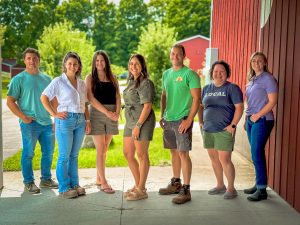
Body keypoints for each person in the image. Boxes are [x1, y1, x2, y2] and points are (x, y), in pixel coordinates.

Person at [7, 48, 58, 194]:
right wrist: (23, 117)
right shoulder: (18, 79)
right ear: (24, 60)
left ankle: (46, 179)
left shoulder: (47, 79)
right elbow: (10, 101)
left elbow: (53, 101)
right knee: (28, 153)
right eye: (29, 58)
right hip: (29, 123)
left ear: (39, 60)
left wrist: (55, 118)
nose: (32, 61)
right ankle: (29, 182)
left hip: (47, 123)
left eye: (35, 58)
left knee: (48, 153)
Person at [41, 52, 91, 199]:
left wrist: (87, 121)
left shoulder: (82, 84)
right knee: (64, 156)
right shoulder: (58, 81)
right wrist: (54, 114)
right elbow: (44, 97)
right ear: (65, 65)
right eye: (69, 63)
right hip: (65, 120)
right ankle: (64, 188)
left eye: (75, 64)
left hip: (80, 120)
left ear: (78, 66)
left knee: (74, 155)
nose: (72, 66)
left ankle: (75, 185)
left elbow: (85, 104)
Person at [159, 44, 201, 204]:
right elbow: (164, 95)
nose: (175, 56)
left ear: (184, 56)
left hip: (183, 119)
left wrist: (189, 120)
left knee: (183, 153)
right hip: (169, 120)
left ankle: (186, 189)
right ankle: (175, 183)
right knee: (174, 152)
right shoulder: (166, 74)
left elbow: (197, 99)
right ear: (170, 56)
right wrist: (162, 114)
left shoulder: (190, 74)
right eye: (173, 54)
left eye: (178, 54)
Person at [198, 60, 244, 199]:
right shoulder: (206, 88)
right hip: (208, 129)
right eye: (216, 71)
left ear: (227, 74)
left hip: (224, 130)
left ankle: (231, 188)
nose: (218, 74)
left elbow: (239, 108)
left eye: (222, 71)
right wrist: (200, 122)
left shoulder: (232, 88)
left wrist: (233, 125)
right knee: (214, 159)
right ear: (212, 73)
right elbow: (201, 106)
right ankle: (220, 185)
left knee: (225, 160)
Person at [244, 52, 278, 201]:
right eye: (254, 61)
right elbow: (250, 102)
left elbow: (272, 101)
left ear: (264, 63)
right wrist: (247, 119)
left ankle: (262, 190)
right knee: (255, 154)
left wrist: (257, 115)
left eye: (259, 61)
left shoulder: (268, 79)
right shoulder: (252, 80)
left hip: (263, 120)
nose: (256, 63)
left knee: (256, 153)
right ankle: (259, 184)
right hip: (251, 120)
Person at [85, 50, 121, 194]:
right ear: (94, 62)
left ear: (106, 62)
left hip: (112, 114)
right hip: (97, 114)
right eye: (97, 61)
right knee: (100, 149)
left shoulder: (113, 77)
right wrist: (106, 112)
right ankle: (104, 182)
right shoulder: (90, 78)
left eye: (102, 60)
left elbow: (118, 95)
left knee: (105, 148)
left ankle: (98, 178)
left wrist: (117, 113)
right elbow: (91, 98)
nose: (99, 63)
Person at [122, 54, 156, 201]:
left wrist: (138, 125)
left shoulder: (146, 83)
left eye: (136, 64)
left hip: (143, 121)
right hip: (130, 121)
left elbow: (147, 106)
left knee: (141, 155)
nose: (133, 67)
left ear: (142, 66)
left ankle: (141, 189)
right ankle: (138, 185)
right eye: (131, 64)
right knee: (128, 154)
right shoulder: (131, 81)